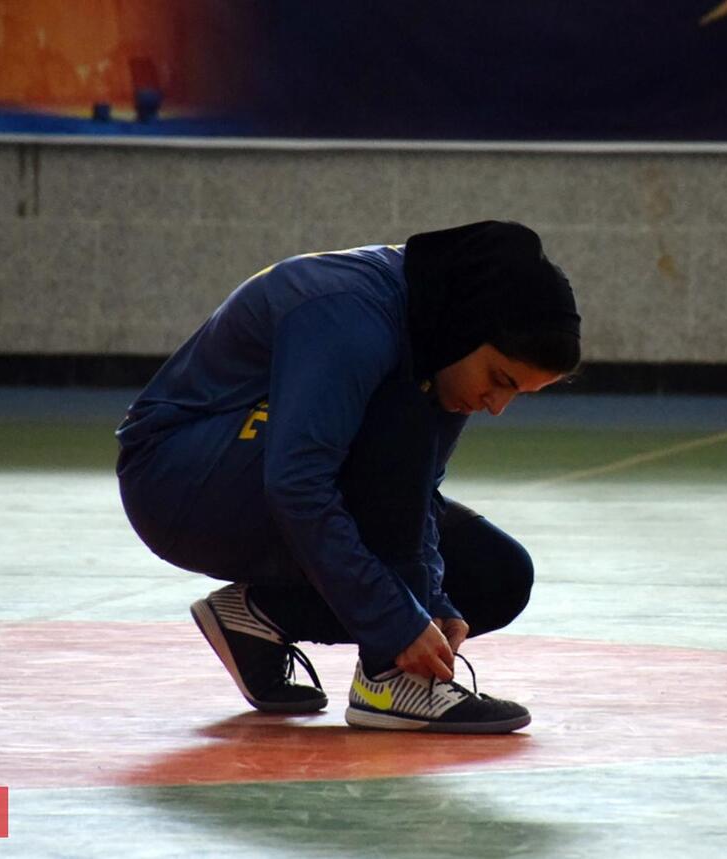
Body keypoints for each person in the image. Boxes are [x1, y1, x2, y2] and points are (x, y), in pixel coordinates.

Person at [115, 220, 580, 734]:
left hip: (260, 477)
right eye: (500, 380)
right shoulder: (352, 313)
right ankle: (388, 681)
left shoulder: (440, 324)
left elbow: (416, 493)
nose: (497, 406)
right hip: (175, 482)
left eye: (518, 394)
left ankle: (256, 617)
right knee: (395, 412)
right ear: (467, 328)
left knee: (493, 575)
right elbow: (299, 484)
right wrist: (396, 625)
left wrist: (430, 602)